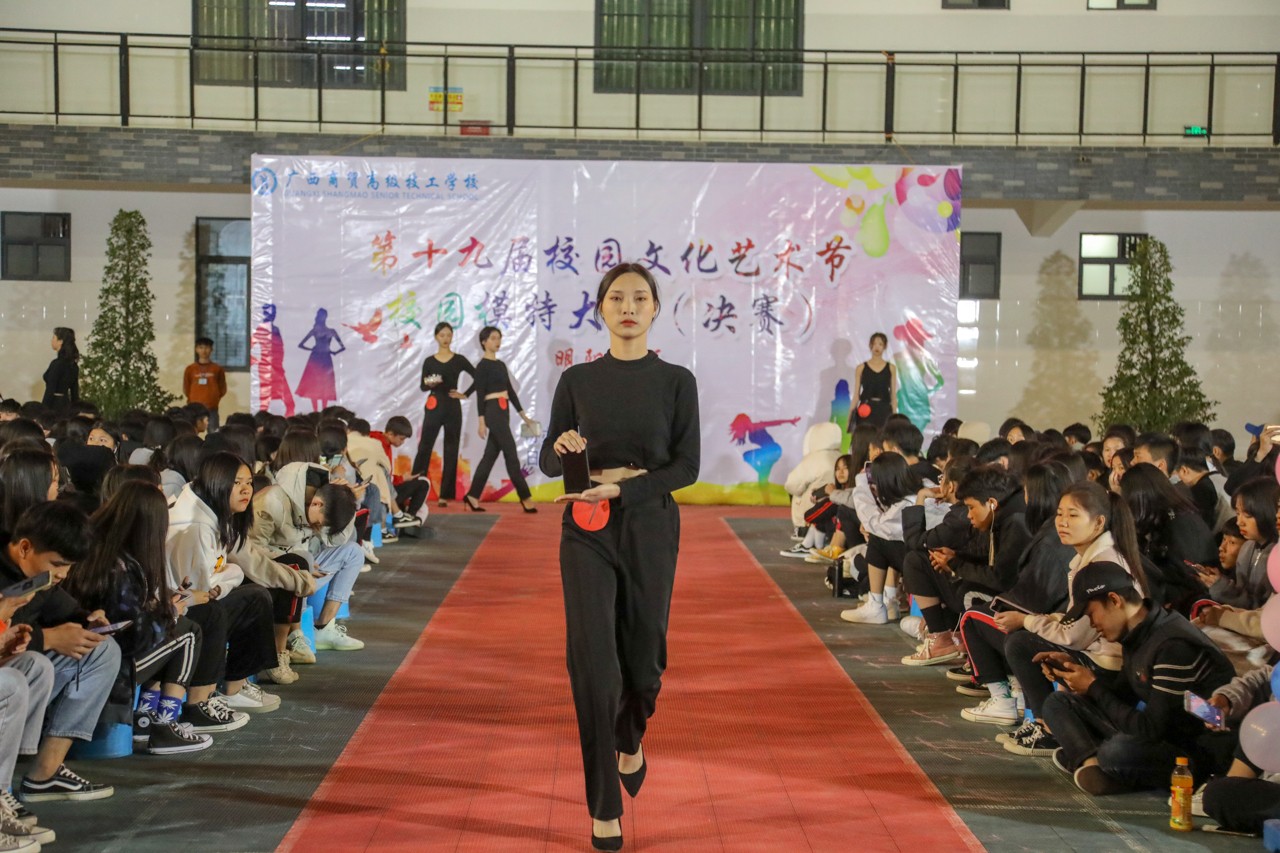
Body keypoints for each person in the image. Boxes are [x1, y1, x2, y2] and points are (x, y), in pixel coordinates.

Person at [539, 263, 699, 851]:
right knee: (593, 667)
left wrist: (626, 490)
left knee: (645, 661)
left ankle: (630, 735)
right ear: (600, 308)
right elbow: (549, 460)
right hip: (586, 526)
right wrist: (562, 448)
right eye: (615, 298)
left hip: (650, 522)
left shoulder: (676, 381)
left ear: (655, 308)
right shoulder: (577, 380)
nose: (627, 307)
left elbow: (687, 466)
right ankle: (604, 806)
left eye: (639, 298)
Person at [1038, 561, 1235, 795]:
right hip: (1166, 733)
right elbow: (1123, 695)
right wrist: (1072, 673)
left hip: (1197, 751)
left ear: (1114, 600)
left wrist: (1093, 686)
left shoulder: (1172, 645)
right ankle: (1092, 765)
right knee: (1058, 703)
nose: (1092, 624)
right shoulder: (1140, 632)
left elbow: (1151, 729)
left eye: (1091, 614)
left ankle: (1091, 758)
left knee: (1117, 751)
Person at [1, 502, 120, 803]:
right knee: (29, 668)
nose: (63, 575)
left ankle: (45, 772)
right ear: (24, 548)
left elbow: (65, 609)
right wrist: (47, 639)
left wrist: (89, 620)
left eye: (69, 566)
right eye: (57, 565)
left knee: (102, 649)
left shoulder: (39, 579)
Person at [463, 326, 538, 514]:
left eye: (499, 338)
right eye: (493, 338)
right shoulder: (482, 366)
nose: (497, 341)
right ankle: (525, 497)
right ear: (484, 342)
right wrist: (481, 421)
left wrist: (524, 416)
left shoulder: (501, 365)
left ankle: (472, 495)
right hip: (492, 411)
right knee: (511, 454)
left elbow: (511, 392)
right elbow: (480, 394)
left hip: (504, 412)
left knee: (489, 457)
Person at [411, 322, 475, 508]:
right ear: (436, 337)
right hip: (434, 405)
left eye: (449, 335)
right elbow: (423, 386)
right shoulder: (429, 361)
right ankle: (415, 490)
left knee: (451, 449)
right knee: (425, 447)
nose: (446, 338)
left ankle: (444, 495)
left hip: (453, 406)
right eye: (442, 335)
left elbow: (478, 376)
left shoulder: (459, 359)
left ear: (452, 336)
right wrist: (430, 384)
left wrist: (465, 394)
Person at [295, 308, 345, 412]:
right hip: (321, 359)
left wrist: (312, 349)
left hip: (319, 358)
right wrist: (334, 352)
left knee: (320, 385)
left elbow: (301, 345)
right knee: (317, 385)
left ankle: (319, 412)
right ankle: (319, 412)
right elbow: (301, 344)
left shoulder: (318, 331)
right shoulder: (328, 331)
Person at [849, 332, 896, 431]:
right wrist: (850, 417)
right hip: (865, 409)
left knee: (883, 438)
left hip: (884, 410)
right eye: (874, 344)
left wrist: (895, 417)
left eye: (880, 344)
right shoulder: (861, 368)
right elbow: (856, 396)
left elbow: (893, 396)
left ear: (885, 346)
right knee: (865, 438)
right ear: (870, 345)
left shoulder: (891, 368)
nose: (877, 347)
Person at [183, 337, 228, 431]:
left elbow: (222, 389)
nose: (204, 350)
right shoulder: (190, 369)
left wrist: (213, 398)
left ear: (211, 349)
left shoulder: (217, 369)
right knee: (190, 431)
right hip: (193, 408)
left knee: (214, 433)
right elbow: (186, 388)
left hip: (211, 408)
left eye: (207, 347)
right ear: (196, 349)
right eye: (201, 347)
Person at [41, 328, 79, 412]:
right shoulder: (73, 365)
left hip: (54, 406)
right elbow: (75, 393)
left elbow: (50, 390)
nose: (51, 340)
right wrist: (76, 411)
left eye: (53, 338)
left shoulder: (57, 364)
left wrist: (43, 411)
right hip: (66, 405)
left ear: (60, 341)